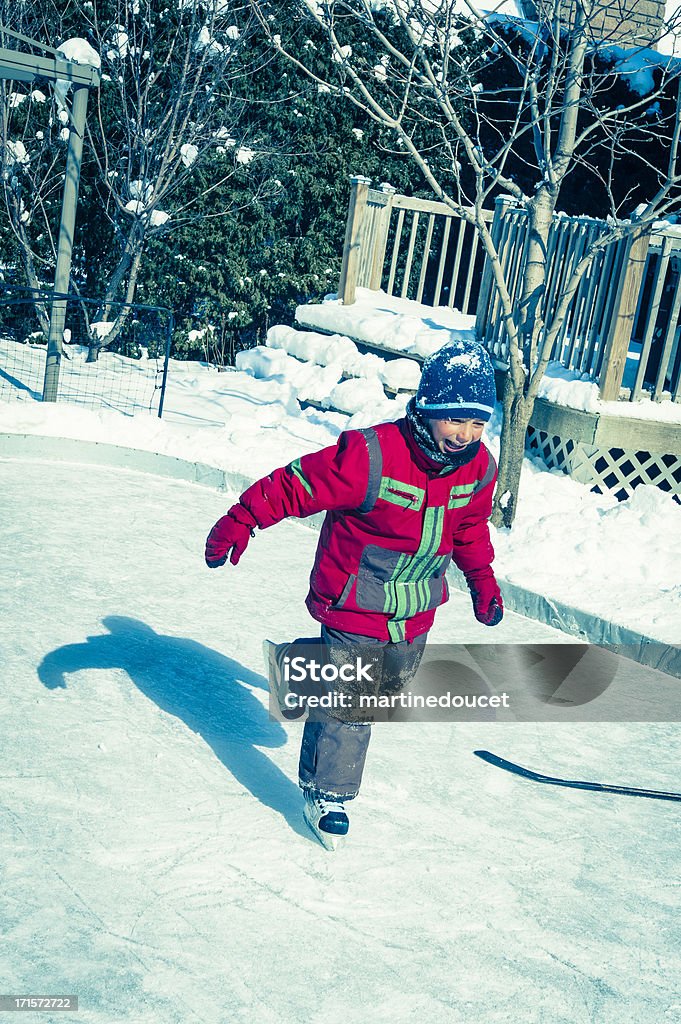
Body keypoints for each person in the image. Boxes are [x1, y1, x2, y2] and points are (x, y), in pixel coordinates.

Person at [205, 339, 504, 848]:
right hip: (354, 598)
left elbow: (471, 529)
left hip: (415, 605)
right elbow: (296, 484)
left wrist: (482, 582)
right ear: (427, 409)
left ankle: (299, 666)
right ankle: (329, 795)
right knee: (355, 700)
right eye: (456, 420)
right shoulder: (372, 455)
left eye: (478, 423)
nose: (466, 435)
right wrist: (243, 519)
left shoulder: (478, 468)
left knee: (390, 687)